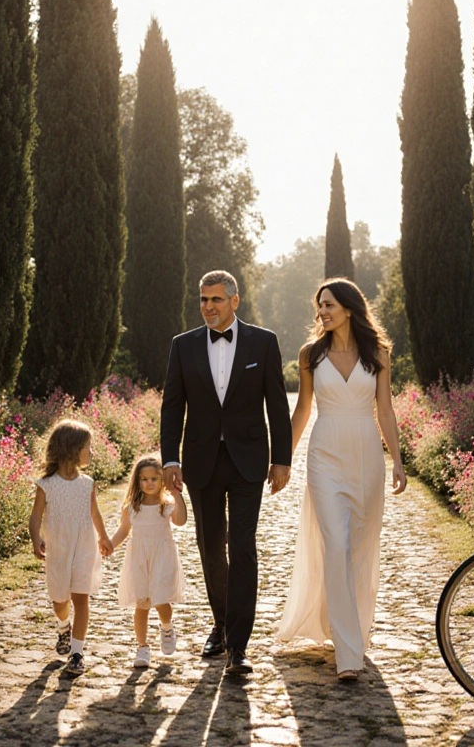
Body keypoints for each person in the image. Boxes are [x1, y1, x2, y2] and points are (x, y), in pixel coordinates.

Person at [161, 269, 293, 676]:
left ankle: (238, 644)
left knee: (243, 546)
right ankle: (220, 622)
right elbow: (172, 406)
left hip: (248, 460)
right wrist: (170, 459)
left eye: (216, 299)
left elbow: (277, 405)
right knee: (210, 546)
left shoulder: (263, 342)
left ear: (235, 301)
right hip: (200, 460)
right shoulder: (182, 346)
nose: (207, 307)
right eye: (203, 299)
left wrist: (282, 459)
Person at [275, 278, 407, 682]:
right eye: (319, 307)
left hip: (366, 455)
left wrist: (398, 461)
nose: (322, 313)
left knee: (359, 549)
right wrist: (282, 458)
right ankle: (349, 654)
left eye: (329, 305)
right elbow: (301, 411)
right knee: (336, 543)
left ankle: (351, 628)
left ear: (349, 308)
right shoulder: (310, 354)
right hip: (326, 453)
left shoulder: (378, 354)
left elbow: (385, 411)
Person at [28, 419, 114, 677]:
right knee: (59, 600)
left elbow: (95, 514)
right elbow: (35, 517)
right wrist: (36, 538)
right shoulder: (47, 484)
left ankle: (77, 653)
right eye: (88, 447)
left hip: (84, 548)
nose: (92, 452)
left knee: (81, 598)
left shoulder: (87, 484)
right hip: (58, 549)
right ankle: (63, 625)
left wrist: (104, 537)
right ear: (71, 449)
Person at [111, 455, 189, 668]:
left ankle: (166, 627)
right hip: (138, 559)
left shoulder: (166, 505)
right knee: (142, 603)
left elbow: (181, 521)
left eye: (154, 479)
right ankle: (142, 647)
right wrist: (109, 545)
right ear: (137, 481)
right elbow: (123, 531)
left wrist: (176, 494)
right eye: (144, 479)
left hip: (162, 556)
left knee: (161, 599)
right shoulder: (132, 507)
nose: (149, 483)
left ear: (162, 479)